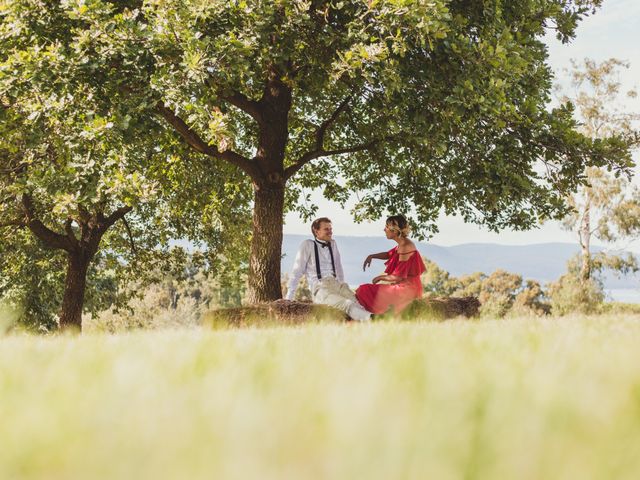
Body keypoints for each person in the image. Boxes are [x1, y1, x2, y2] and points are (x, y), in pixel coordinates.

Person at [285, 217, 371, 321]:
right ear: (316, 231)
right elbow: (297, 271)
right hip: (320, 288)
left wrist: (342, 285)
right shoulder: (307, 245)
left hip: (337, 284)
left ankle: (376, 319)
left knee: (356, 302)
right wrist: (289, 297)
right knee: (346, 304)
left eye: (330, 229)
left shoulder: (333, 244)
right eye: (326, 229)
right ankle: (373, 318)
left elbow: (338, 267)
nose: (330, 232)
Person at [356, 215, 426, 315]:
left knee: (364, 290)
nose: (384, 229)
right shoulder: (402, 244)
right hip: (405, 287)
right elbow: (389, 254)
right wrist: (372, 256)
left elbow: (397, 277)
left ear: (395, 230)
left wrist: (379, 277)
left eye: (386, 227)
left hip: (407, 290)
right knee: (365, 290)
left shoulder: (405, 246)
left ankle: (368, 317)